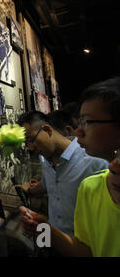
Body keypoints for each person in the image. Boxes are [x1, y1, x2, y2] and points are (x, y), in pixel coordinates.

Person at [20, 77, 120, 256]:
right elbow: (86, 249)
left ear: (48, 130)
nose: (79, 131)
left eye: (87, 122)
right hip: (60, 245)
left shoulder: (95, 162)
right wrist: (44, 227)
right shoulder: (48, 162)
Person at [16, 111, 108, 236]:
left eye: (31, 140)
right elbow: (47, 183)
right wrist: (28, 190)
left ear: (47, 130)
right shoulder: (44, 158)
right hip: (54, 238)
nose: (31, 148)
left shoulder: (94, 160)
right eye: (26, 144)